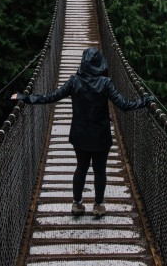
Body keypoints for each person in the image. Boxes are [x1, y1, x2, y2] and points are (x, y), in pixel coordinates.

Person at [11, 47, 155, 217]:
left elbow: (51, 97)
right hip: (101, 136)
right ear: (100, 63)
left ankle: (77, 204)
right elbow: (124, 105)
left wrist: (25, 98)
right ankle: (98, 205)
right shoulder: (105, 83)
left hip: (80, 135)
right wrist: (145, 101)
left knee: (81, 167)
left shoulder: (74, 81)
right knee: (100, 170)